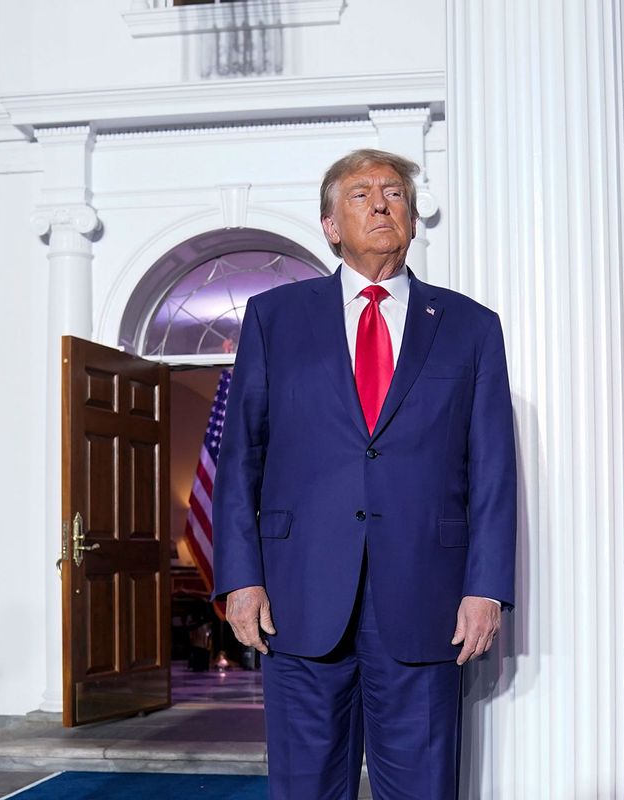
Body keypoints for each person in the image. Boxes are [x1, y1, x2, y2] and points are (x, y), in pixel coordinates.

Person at [212, 148, 517, 800]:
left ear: (411, 215)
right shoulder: (275, 319)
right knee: (306, 788)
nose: (381, 203)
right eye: (360, 194)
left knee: (422, 788)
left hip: (427, 599)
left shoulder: (470, 327)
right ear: (329, 225)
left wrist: (486, 587)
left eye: (394, 192)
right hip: (298, 598)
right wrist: (241, 578)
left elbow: (492, 468)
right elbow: (242, 456)